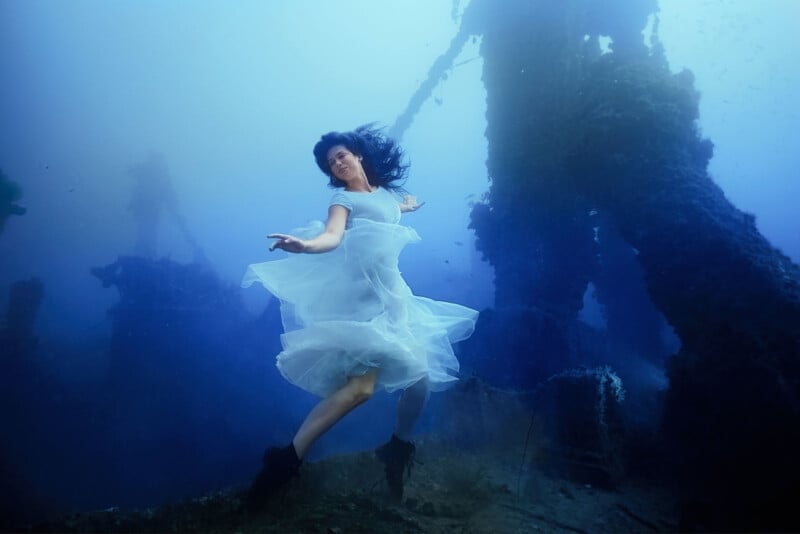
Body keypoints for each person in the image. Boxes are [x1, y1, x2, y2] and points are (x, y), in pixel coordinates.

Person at [241, 125, 477, 508]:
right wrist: (305, 245)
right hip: (364, 301)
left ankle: (396, 448)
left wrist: (407, 207)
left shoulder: (384, 195)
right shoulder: (341, 201)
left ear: (358, 156)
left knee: (419, 382)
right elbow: (333, 236)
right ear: (332, 174)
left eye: (341, 155)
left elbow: (387, 210)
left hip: (396, 298)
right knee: (361, 389)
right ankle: (285, 460)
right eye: (331, 163)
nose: (338, 163)